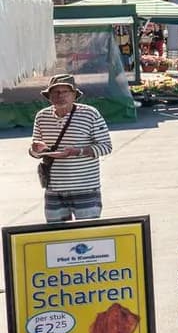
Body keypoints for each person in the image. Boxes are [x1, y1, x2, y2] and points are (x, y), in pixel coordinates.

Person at [28, 74, 114, 223]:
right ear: (49, 96)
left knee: (87, 234)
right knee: (56, 235)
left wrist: (78, 151)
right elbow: (35, 152)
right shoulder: (41, 117)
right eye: (56, 92)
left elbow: (106, 147)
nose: (60, 96)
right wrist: (36, 149)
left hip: (85, 187)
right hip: (54, 189)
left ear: (74, 95)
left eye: (65, 92)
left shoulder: (90, 114)